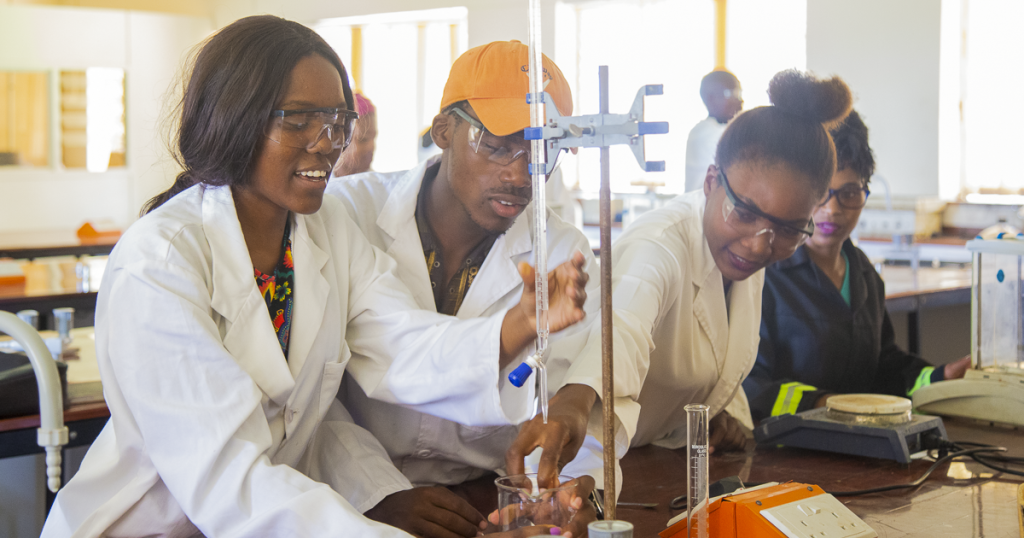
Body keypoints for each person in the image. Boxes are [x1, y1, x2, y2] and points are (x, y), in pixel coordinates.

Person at [40, 16, 588, 538]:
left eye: (338, 122)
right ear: (235, 117)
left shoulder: (323, 231)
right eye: (299, 119)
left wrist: (514, 326)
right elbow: (230, 482)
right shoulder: (160, 261)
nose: (329, 142)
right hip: (151, 527)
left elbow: (396, 342)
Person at [326, 40, 620, 538]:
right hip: (349, 494)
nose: (520, 174)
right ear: (444, 130)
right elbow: (316, 394)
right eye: (499, 144)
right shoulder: (345, 213)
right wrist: (376, 492)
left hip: (487, 502)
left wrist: (571, 494)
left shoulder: (559, 248)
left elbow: (569, 395)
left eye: (540, 153)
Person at [601, 70, 852, 455]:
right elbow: (615, 348)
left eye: (787, 229)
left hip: (651, 461)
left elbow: (717, 363)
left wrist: (719, 414)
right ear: (710, 181)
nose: (757, 246)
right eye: (745, 213)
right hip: (583, 468)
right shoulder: (657, 248)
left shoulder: (742, 250)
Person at [742, 110, 971, 422]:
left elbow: (883, 367)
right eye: (821, 193)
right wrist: (823, 402)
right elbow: (747, 385)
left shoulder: (864, 274)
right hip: (785, 457)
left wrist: (939, 377)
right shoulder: (763, 275)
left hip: (857, 454)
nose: (832, 210)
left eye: (849, 193)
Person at [683, 70, 743, 193]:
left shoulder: (722, 129)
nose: (740, 100)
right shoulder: (703, 134)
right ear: (711, 98)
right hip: (702, 211)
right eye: (731, 93)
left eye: (739, 93)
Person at [332, 91, 377, 177]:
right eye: (363, 139)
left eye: (374, 137)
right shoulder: (320, 186)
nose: (371, 147)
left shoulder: (380, 187)